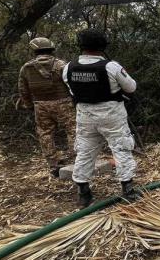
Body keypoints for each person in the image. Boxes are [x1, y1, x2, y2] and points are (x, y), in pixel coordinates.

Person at [63, 29, 138, 208]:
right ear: (103, 46)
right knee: (121, 148)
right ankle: (128, 189)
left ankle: (84, 193)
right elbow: (131, 87)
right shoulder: (111, 66)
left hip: (84, 115)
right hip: (111, 115)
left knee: (85, 151)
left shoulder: (68, 67)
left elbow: (72, 90)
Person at [17, 37, 75, 178]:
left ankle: (54, 165)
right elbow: (72, 85)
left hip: (40, 104)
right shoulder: (61, 64)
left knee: (45, 133)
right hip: (63, 103)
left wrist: (29, 105)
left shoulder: (26, 67)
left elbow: (23, 90)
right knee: (73, 129)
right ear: (51, 49)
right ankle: (77, 160)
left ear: (35, 50)